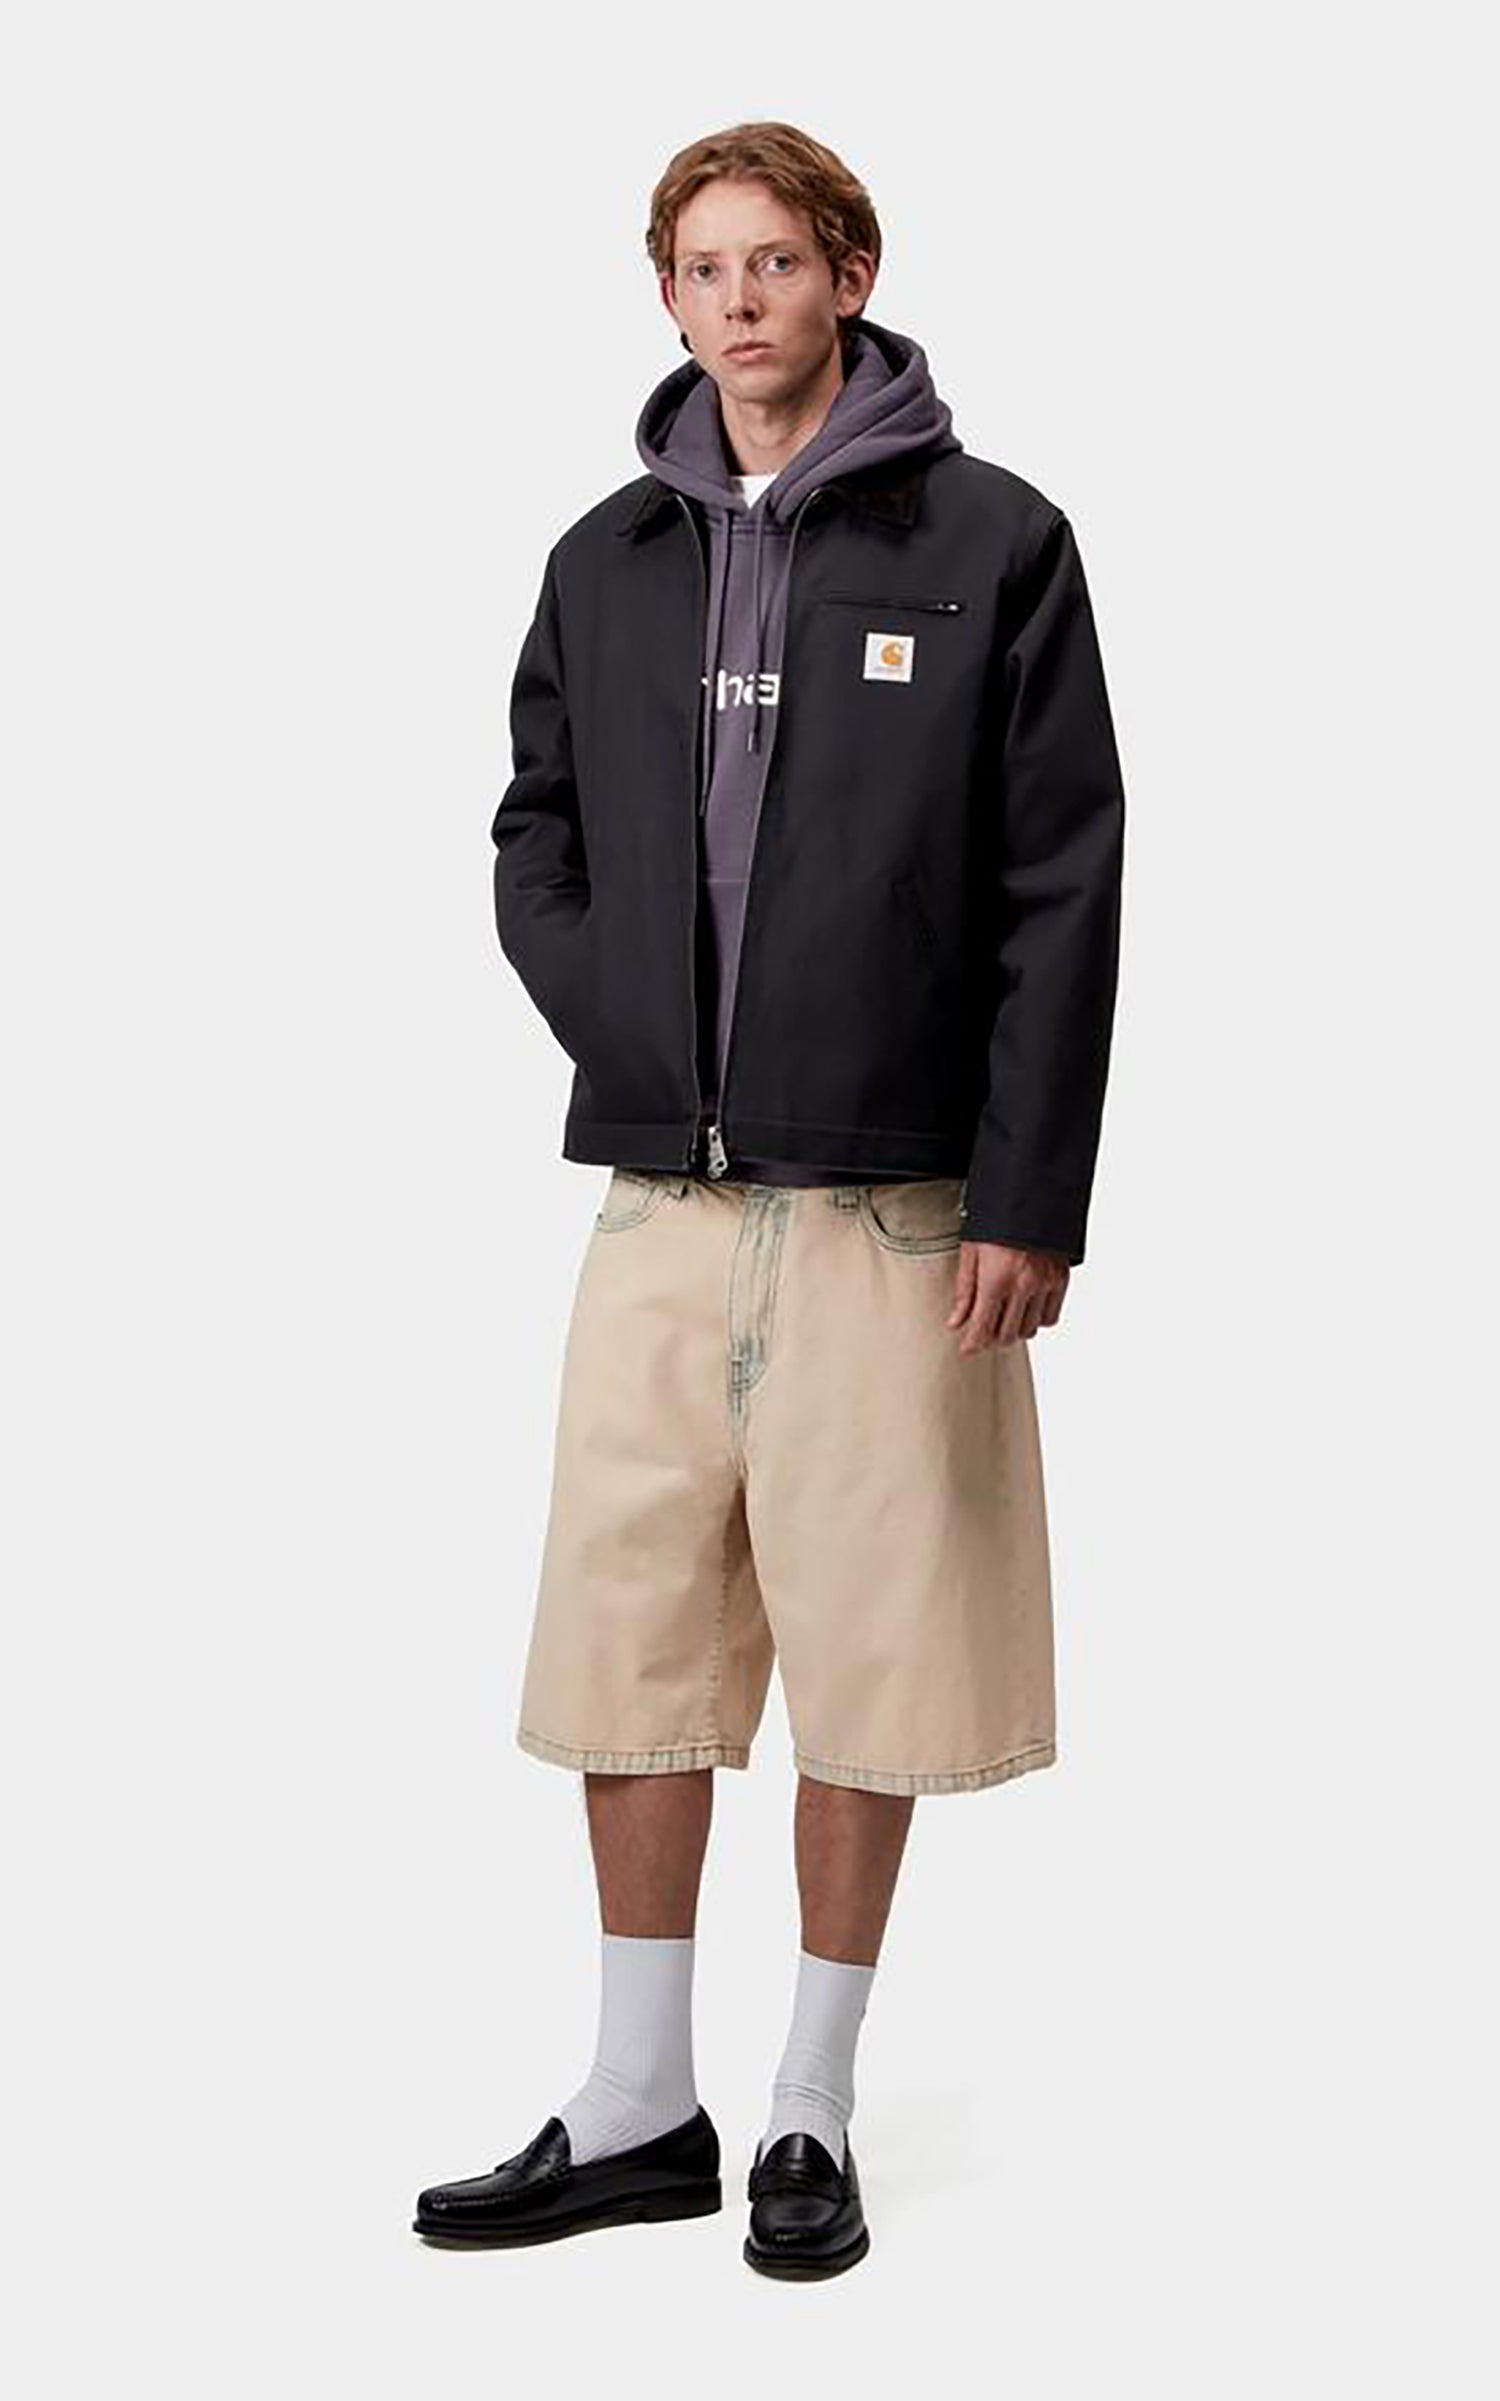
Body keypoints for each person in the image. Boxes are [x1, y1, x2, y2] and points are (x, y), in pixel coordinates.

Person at [413, 119, 1126, 2280]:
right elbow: (536, 832)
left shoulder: (992, 542)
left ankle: (810, 2101)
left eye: (777, 261)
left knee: (873, 1644)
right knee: (626, 1637)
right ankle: (640, 2099)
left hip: (896, 1208)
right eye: (703, 267)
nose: (740, 299)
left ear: (849, 276)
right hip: (659, 1200)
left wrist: (1030, 1188)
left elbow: (1063, 883)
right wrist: (628, 1026)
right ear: (669, 296)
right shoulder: (605, 560)